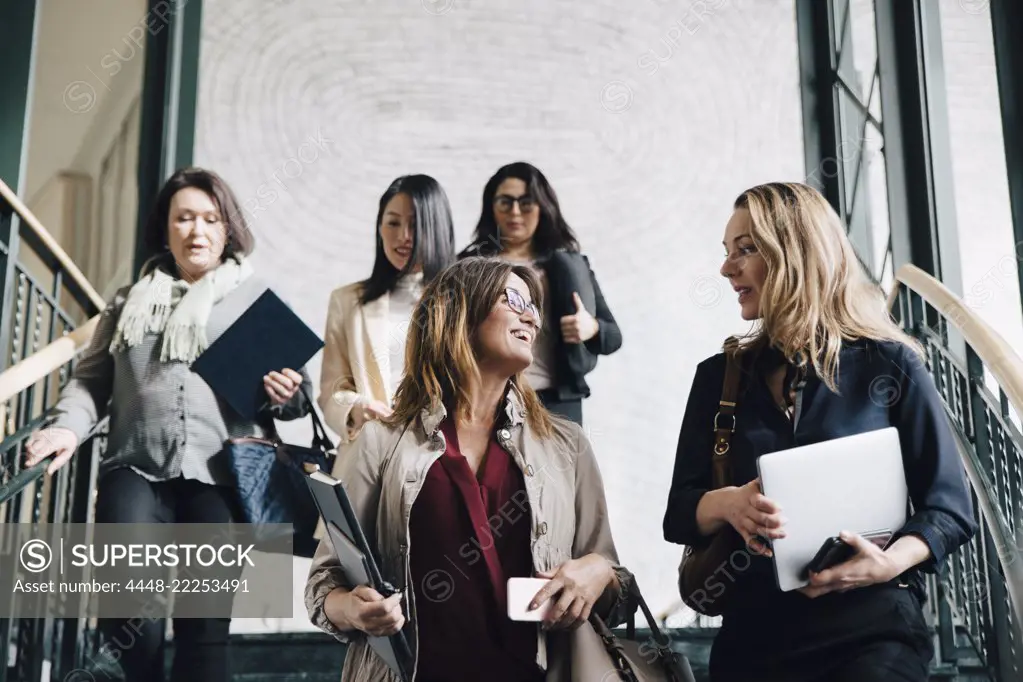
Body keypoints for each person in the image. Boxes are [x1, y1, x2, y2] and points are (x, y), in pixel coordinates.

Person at [662, 182, 977, 682]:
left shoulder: (890, 364)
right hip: (754, 637)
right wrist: (728, 504)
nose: (727, 268)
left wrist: (888, 564)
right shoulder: (717, 378)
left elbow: (950, 509)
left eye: (746, 249)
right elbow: (679, 514)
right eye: (727, 253)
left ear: (797, 253)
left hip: (872, 633)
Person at [23, 167, 312, 682]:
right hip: (135, 471)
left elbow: (294, 400)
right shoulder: (127, 301)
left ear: (228, 230)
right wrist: (67, 427)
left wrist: (287, 396)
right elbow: (91, 384)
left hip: (221, 479)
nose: (196, 231)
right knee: (130, 616)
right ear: (166, 228)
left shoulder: (253, 300)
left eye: (209, 219)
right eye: (184, 218)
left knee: (204, 630)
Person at [305, 257, 634, 682]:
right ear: (459, 315)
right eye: (512, 298)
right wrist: (353, 608)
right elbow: (323, 584)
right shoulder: (380, 441)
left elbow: (617, 593)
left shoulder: (566, 445)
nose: (529, 314)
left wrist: (600, 571)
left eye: (532, 304)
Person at [458, 162, 621, 425]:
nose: (515, 212)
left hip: (556, 405)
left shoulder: (569, 266)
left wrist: (590, 328)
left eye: (526, 203)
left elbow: (614, 337)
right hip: (487, 401)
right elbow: (445, 335)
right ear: (491, 206)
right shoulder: (468, 267)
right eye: (505, 202)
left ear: (543, 206)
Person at [318, 174, 455, 446]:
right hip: (370, 452)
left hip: (442, 453)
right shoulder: (347, 301)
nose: (403, 236)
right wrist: (357, 408)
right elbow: (332, 388)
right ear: (379, 228)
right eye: (393, 223)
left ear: (437, 228)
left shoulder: (463, 301)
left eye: (415, 225)